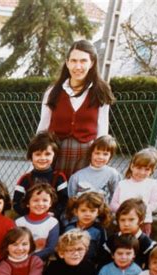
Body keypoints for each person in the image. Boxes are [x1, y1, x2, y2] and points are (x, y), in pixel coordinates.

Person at [37, 39, 115, 178]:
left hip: (85, 156)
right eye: (73, 61)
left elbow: (102, 129)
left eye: (83, 61)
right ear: (67, 63)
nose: (77, 66)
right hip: (56, 153)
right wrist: (38, 155)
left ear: (92, 63)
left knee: (80, 196)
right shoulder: (52, 92)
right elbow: (43, 127)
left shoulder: (100, 91)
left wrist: (99, 161)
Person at [12, 131, 68, 219]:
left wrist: (54, 213)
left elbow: (64, 201)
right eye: (38, 154)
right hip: (29, 218)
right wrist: (29, 214)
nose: (43, 158)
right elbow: (16, 202)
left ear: (54, 155)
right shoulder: (25, 178)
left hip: (52, 219)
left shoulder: (59, 177)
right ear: (31, 156)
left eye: (47, 154)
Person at [110, 147, 157, 236]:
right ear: (132, 166)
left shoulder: (152, 184)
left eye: (147, 169)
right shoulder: (122, 184)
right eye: (139, 168)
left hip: (143, 223)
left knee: (140, 246)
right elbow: (113, 204)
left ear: (152, 170)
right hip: (123, 222)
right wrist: (126, 212)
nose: (142, 172)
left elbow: (153, 204)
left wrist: (138, 212)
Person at [101, 198, 156, 269]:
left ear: (141, 220)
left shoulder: (146, 244)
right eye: (122, 220)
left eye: (131, 220)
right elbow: (102, 265)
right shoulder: (112, 240)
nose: (126, 224)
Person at [68, 135, 121, 204]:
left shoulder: (113, 174)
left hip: (103, 213)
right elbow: (72, 199)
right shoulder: (77, 176)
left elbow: (116, 198)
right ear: (91, 153)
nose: (100, 157)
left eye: (105, 154)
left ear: (110, 156)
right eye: (97, 153)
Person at [15, 183, 60, 261]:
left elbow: (50, 248)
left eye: (45, 200)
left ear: (50, 204)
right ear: (28, 203)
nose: (40, 204)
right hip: (19, 259)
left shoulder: (53, 223)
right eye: (35, 200)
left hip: (40, 262)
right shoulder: (19, 222)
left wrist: (31, 259)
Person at [65, 192, 112, 263]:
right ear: (76, 212)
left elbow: (102, 252)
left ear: (98, 212)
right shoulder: (69, 228)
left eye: (92, 211)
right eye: (83, 210)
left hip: (90, 265)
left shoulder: (99, 230)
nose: (87, 214)